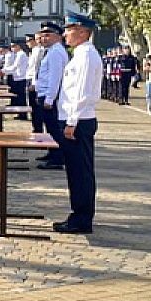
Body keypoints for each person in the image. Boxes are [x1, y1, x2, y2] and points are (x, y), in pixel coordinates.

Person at [54, 12, 104, 234]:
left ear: (82, 32)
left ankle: (82, 218)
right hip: (76, 118)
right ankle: (78, 214)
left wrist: (71, 121)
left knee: (81, 172)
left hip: (79, 120)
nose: (65, 34)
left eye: (69, 29)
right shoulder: (80, 54)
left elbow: (82, 92)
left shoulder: (86, 55)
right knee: (76, 171)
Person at [33, 21, 69, 170]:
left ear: (58, 37)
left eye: (48, 35)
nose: (44, 38)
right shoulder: (51, 51)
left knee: (54, 128)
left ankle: (57, 158)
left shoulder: (56, 52)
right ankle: (52, 152)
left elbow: (55, 77)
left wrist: (49, 98)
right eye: (42, 35)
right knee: (50, 128)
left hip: (50, 96)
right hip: (44, 94)